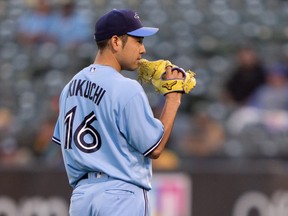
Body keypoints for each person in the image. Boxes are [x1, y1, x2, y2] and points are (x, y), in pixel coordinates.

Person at [52, 9, 184, 216]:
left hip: (81, 198)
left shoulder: (69, 88)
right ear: (115, 42)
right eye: (138, 41)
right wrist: (173, 98)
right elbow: (155, 148)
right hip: (120, 196)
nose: (143, 49)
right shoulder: (126, 88)